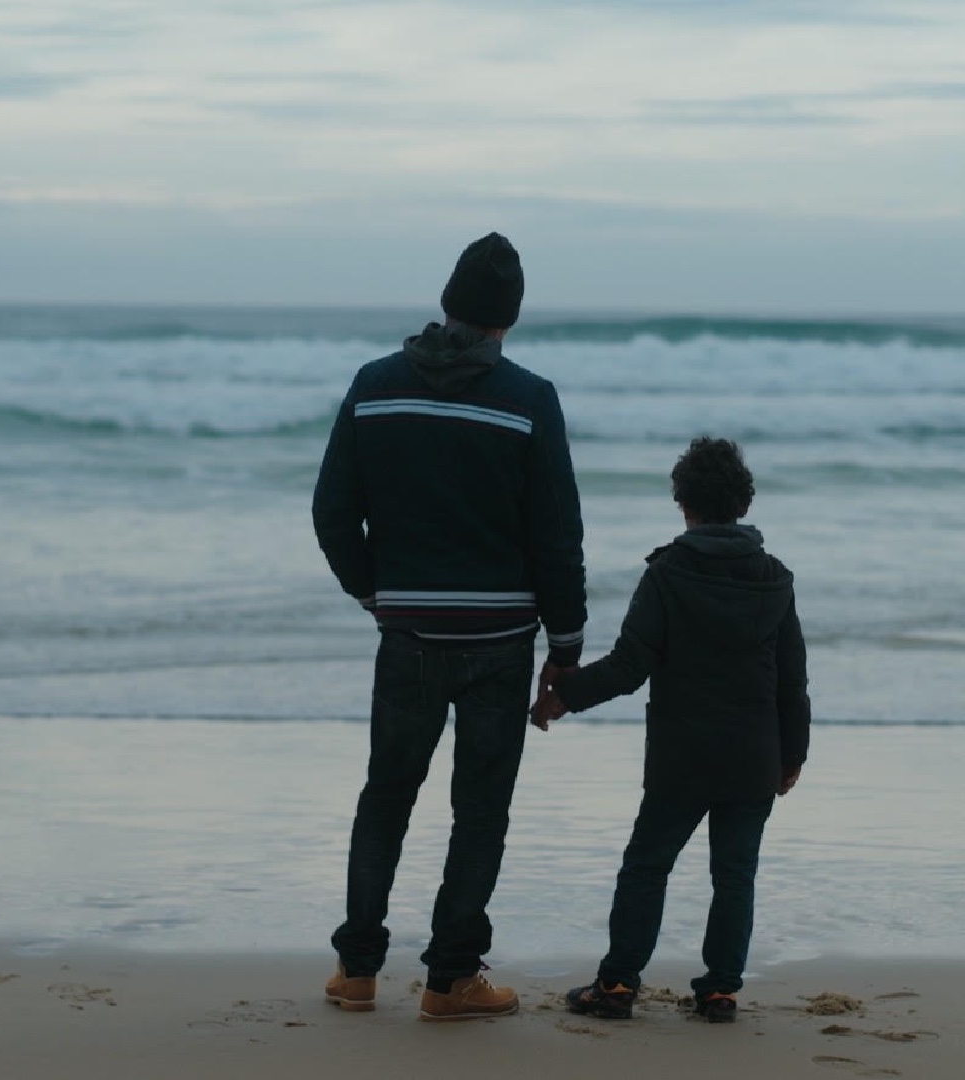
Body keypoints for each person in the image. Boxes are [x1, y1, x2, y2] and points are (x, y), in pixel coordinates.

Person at [312, 232, 587, 1021]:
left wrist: (375, 594)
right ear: (510, 318)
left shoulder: (375, 384)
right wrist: (565, 646)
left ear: (447, 303)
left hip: (408, 638)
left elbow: (333, 511)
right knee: (481, 811)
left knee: (387, 796)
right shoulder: (531, 399)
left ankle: (357, 969)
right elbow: (555, 533)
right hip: (502, 644)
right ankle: (450, 979)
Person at [532, 436, 809, 1024]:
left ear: (684, 503)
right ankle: (719, 992)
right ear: (743, 502)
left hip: (682, 755)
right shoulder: (775, 580)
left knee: (646, 866)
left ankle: (617, 986)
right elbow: (792, 683)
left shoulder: (669, 572)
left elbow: (631, 666)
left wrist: (563, 696)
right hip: (753, 756)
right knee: (735, 875)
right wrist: (793, 756)